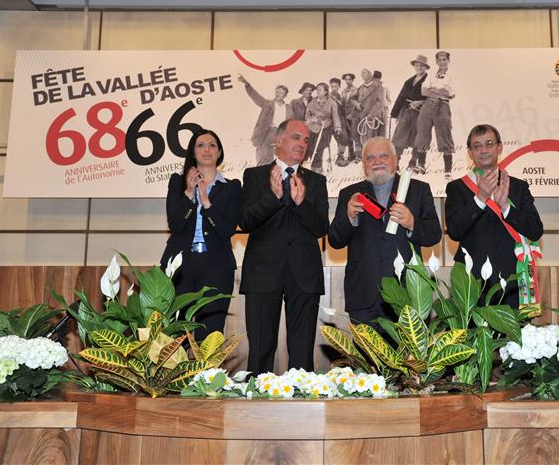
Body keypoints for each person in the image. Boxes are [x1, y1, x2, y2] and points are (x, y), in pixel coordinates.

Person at [239, 119, 329, 374]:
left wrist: (302, 203)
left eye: (306, 140)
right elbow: (244, 221)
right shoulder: (255, 176)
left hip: (304, 275)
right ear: (278, 140)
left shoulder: (316, 181)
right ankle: (258, 395)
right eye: (296, 137)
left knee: (302, 352)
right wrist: (273, 197)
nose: (302, 144)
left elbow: (322, 228)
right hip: (262, 273)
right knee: (260, 349)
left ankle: (300, 395)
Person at [328, 137, 441, 325]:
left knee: (408, 347)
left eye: (383, 156)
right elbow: (334, 240)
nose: (377, 162)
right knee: (364, 346)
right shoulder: (350, 194)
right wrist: (349, 217)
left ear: (395, 160)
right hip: (364, 295)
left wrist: (412, 223)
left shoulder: (418, 190)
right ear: (363, 163)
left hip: (407, 293)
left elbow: (434, 235)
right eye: (370, 157)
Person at [445, 124, 543, 309]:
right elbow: (455, 231)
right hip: (471, 280)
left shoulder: (518, 187)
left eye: (489, 144)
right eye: (477, 146)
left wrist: (505, 207)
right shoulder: (457, 188)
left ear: (499, 147)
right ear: (470, 153)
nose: (483, 150)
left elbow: (535, 230)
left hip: (513, 279)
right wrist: (480, 198)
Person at [160, 129, 241, 339]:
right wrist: (189, 193)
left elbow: (226, 230)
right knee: (175, 333)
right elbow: (176, 225)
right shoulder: (177, 182)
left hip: (216, 267)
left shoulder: (232, 187)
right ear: (193, 152)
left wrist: (206, 203)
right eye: (201, 145)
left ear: (219, 152)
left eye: (212, 145)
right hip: (180, 266)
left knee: (210, 334)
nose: (207, 149)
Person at [413, 51, 456, 179]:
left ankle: (447, 171)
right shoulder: (431, 74)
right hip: (427, 106)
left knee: (444, 136)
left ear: (448, 60)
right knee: (422, 134)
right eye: (439, 60)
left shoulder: (453, 75)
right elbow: (423, 91)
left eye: (444, 59)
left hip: (443, 106)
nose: (442, 62)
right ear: (436, 61)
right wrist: (438, 92)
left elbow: (450, 94)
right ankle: (421, 165)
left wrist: (434, 90)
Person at [238, 75, 293, 166]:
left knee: (281, 162)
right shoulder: (267, 104)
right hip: (267, 134)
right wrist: (247, 85)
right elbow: (255, 97)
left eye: (280, 92)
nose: (278, 94)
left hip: (281, 135)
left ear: (285, 95)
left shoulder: (289, 108)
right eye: (277, 92)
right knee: (263, 159)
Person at [391, 54, 429, 171]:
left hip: (421, 113)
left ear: (425, 67)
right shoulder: (408, 82)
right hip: (406, 112)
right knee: (399, 136)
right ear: (414, 66)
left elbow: (434, 98)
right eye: (417, 65)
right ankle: (395, 162)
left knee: (418, 137)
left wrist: (420, 102)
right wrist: (394, 112)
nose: (419, 67)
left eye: (421, 65)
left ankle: (413, 162)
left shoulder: (429, 81)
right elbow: (401, 97)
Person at [305, 82, 342, 173]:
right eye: (317, 90)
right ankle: (315, 166)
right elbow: (307, 115)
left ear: (325, 92)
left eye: (320, 90)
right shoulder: (312, 102)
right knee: (310, 146)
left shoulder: (332, 103)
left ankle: (317, 168)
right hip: (313, 127)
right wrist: (311, 119)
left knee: (319, 147)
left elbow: (335, 116)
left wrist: (337, 127)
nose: (317, 91)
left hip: (325, 128)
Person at [353, 69, 384, 163]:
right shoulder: (361, 87)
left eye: (364, 73)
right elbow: (353, 98)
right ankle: (359, 155)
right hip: (360, 115)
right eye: (361, 73)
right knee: (358, 135)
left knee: (370, 136)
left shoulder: (377, 86)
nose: (361, 74)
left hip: (370, 117)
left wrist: (372, 114)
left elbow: (380, 102)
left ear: (370, 74)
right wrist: (356, 104)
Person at [340, 73, 359, 164]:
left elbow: (357, 104)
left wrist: (351, 114)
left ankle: (358, 155)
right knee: (347, 135)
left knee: (355, 135)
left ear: (352, 80)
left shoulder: (356, 90)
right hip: (345, 116)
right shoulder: (343, 91)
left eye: (349, 79)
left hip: (354, 116)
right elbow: (342, 104)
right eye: (346, 80)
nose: (347, 81)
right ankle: (351, 155)